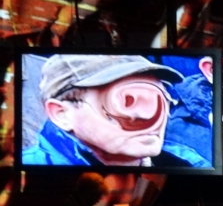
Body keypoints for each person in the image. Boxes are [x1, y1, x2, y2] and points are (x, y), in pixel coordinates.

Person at [23, 54, 210, 167]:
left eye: (160, 99)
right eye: (128, 101)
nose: (152, 117)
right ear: (62, 114)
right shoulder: (31, 172)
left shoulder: (188, 162)